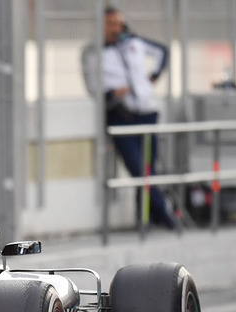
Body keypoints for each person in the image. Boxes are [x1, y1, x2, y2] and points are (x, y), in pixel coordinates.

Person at [82, 6, 175, 229]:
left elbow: (163, 52)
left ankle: (146, 218)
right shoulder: (94, 53)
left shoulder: (133, 43)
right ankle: (164, 214)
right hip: (121, 116)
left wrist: (152, 78)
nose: (116, 29)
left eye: (119, 24)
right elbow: (93, 87)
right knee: (137, 168)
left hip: (146, 112)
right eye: (110, 25)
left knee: (148, 169)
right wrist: (112, 94)